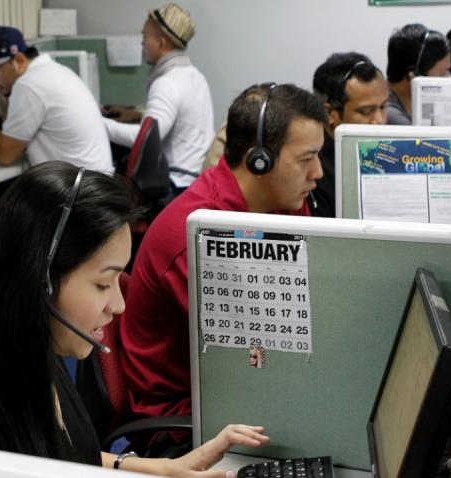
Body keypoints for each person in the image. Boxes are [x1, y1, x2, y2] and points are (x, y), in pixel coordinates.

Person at [0, 162, 269, 476]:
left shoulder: (27, 336)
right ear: (41, 281)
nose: (119, 305)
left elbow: (51, 455)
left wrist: (156, 468)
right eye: (103, 284)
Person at [119, 83, 326, 454]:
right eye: (306, 158)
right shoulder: (199, 236)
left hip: (238, 388)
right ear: (259, 159)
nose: (319, 173)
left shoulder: (282, 203)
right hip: (184, 422)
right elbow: (260, 354)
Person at [0, 25, 114, 174]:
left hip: (79, 191)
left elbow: (6, 156)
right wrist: (4, 95)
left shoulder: (28, 85)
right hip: (95, 182)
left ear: (19, 60)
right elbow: (13, 136)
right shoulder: (53, 71)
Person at [104, 3, 214, 195]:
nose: (142, 43)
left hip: (175, 185)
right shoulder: (194, 75)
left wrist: (98, 122)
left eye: (145, 36)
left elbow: (143, 139)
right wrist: (137, 115)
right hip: (196, 178)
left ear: (162, 43)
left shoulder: (166, 83)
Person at [311, 52, 389, 218]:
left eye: (383, 107)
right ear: (330, 113)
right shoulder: (315, 172)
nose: (379, 121)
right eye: (366, 111)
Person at [385, 23, 451, 125]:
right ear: (413, 75)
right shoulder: (390, 114)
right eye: (442, 74)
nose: (449, 79)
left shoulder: (409, 100)